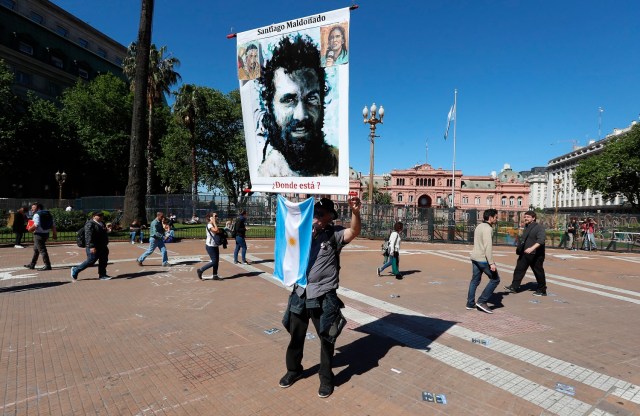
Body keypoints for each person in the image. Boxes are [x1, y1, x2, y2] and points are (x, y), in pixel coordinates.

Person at [279, 197, 361, 398]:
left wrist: (356, 212)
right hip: (300, 293)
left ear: (330, 217)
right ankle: (294, 370)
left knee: (326, 339)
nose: (316, 215)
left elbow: (354, 231)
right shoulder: (301, 233)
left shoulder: (335, 234)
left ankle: (326, 379)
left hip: (323, 295)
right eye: (315, 212)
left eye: (321, 213)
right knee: (295, 337)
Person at [258, 35, 338, 177]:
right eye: (289, 100)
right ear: (270, 106)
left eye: (311, 99)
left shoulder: (338, 164)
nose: (301, 115)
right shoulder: (264, 175)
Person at [504, 210, 548, 296]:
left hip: (536, 254)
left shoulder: (539, 227)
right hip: (525, 253)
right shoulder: (527, 226)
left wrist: (532, 248)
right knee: (519, 270)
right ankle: (514, 287)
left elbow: (541, 240)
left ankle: (542, 290)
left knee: (538, 272)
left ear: (533, 218)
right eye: (525, 217)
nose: (525, 218)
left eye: (528, 217)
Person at [467, 209, 500, 314]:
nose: (496, 219)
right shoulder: (488, 228)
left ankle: (470, 303)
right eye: (496, 217)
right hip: (483, 259)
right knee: (495, 279)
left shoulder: (479, 226)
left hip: (475, 257)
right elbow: (488, 246)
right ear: (490, 217)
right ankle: (482, 301)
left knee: (475, 281)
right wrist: (491, 263)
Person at [70, 212, 112, 281]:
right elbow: (88, 236)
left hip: (102, 245)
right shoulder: (90, 224)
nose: (101, 217)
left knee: (103, 260)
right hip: (94, 246)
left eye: (102, 216)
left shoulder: (102, 223)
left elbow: (101, 232)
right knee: (91, 260)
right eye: (99, 215)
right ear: (94, 216)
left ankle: (102, 275)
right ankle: (76, 270)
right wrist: (91, 246)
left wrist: (107, 230)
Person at [24, 203, 57, 271]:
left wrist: (30, 229)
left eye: (33, 207)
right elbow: (53, 225)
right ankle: (32, 264)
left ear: (38, 208)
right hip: (46, 234)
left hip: (38, 235)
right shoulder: (48, 214)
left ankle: (47, 265)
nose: (31, 209)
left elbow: (36, 224)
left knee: (42, 250)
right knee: (36, 250)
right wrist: (54, 234)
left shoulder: (37, 214)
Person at [197, 213, 223, 281]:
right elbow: (216, 230)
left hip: (215, 245)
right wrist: (214, 222)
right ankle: (200, 270)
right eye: (215, 216)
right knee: (214, 262)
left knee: (216, 261)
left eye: (217, 216)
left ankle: (215, 275)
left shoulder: (213, 224)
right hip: (210, 246)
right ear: (211, 217)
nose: (217, 217)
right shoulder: (209, 225)